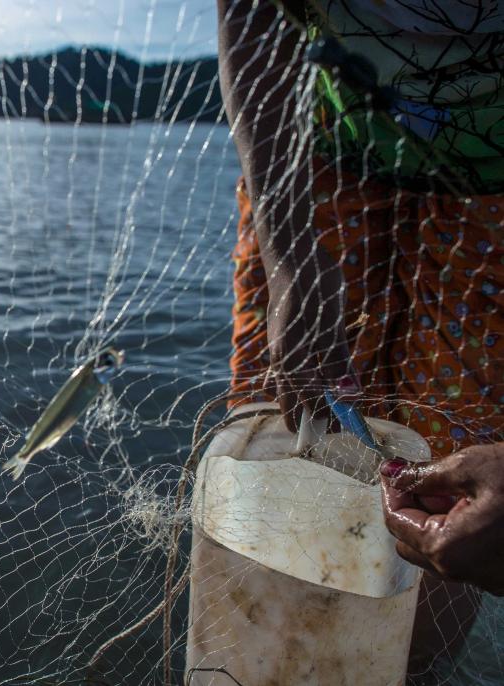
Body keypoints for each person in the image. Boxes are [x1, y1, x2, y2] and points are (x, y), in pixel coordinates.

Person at [217, 0, 504, 674]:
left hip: (492, 206)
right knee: (285, 423)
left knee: (463, 478)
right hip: (315, 163)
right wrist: (291, 263)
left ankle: (411, 669)